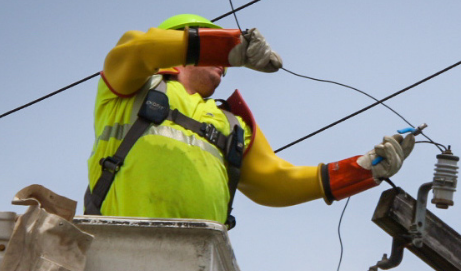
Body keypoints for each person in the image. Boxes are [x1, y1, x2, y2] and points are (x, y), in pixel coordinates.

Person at [84, 14, 414, 227]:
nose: (224, 67)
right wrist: (230, 46)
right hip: (119, 239)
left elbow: (274, 181)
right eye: (211, 53)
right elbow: (136, 51)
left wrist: (363, 169)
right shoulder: (132, 88)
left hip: (196, 261)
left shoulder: (230, 123)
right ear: (181, 45)